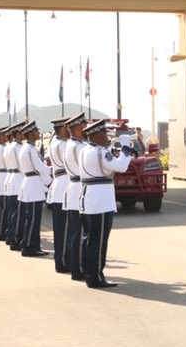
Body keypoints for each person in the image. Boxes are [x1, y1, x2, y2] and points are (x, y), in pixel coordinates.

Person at [78, 119, 133, 288]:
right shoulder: (100, 153)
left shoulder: (85, 150)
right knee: (99, 241)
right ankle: (95, 277)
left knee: (89, 239)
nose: (107, 136)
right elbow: (121, 167)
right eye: (104, 133)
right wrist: (126, 148)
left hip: (89, 198)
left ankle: (89, 273)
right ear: (95, 135)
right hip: (100, 201)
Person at [17, 120, 52, 257]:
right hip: (33, 185)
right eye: (36, 131)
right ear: (31, 133)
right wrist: (50, 182)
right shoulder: (31, 150)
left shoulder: (25, 148)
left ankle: (31, 245)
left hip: (29, 182)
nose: (38, 133)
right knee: (33, 219)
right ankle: (29, 246)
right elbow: (41, 168)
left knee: (31, 217)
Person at [62, 113, 88, 281]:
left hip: (73, 186)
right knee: (79, 232)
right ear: (78, 128)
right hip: (79, 187)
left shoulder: (69, 144)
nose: (86, 129)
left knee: (74, 231)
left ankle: (74, 266)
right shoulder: (79, 147)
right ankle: (78, 269)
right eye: (84, 126)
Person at [47, 117, 71, 272]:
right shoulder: (63, 145)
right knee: (65, 229)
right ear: (63, 129)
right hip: (64, 186)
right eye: (68, 128)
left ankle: (61, 261)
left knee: (60, 229)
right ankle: (63, 262)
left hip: (59, 185)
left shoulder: (54, 143)